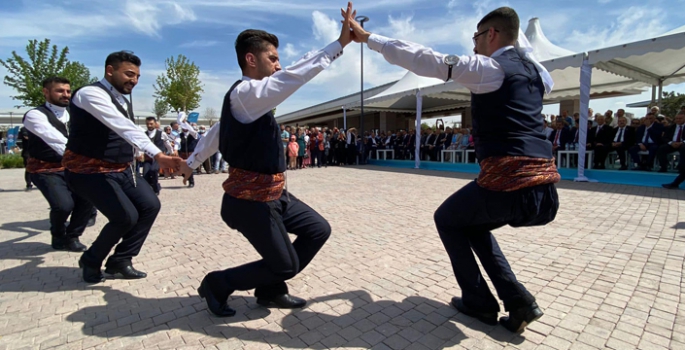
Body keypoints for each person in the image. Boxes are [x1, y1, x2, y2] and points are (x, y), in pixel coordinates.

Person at [346, 6, 559, 333]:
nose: (473, 45)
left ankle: (479, 302)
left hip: (507, 184)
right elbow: (526, 56)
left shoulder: (489, 68)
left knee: (446, 218)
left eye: (476, 37)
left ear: (491, 34)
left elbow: (423, 58)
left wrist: (368, 38)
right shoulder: (540, 74)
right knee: (471, 225)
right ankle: (518, 302)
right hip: (544, 192)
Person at [178, 3, 354, 317]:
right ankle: (218, 283)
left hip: (273, 195)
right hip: (248, 201)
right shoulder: (246, 93)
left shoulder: (249, 101)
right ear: (251, 58)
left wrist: (189, 163)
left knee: (317, 230)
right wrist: (338, 45)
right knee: (286, 264)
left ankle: (270, 289)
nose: (278, 64)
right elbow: (293, 76)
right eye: (272, 58)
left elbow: (217, 132)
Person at [63, 51, 182, 283]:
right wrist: (157, 154)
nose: (134, 81)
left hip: (120, 169)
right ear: (110, 70)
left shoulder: (121, 98)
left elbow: (127, 134)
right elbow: (122, 126)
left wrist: (138, 153)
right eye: (129, 74)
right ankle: (91, 259)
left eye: (137, 76)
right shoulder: (90, 94)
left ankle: (121, 259)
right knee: (125, 217)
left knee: (150, 205)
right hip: (88, 172)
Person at [22, 76, 95, 251]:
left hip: (73, 167)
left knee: (88, 199)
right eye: (60, 91)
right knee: (63, 205)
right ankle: (58, 235)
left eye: (68, 91)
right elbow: (53, 139)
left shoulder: (77, 114)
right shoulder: (34, 115)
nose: (65, 95)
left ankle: (72, 237)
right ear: (46, 92)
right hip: (46, 169)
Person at [143, 117, 166, 194]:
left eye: (151, 124)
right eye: (147, 124)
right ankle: (149, 190)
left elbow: (167, 143)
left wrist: (173, 150)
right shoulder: (144, 134)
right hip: (148, 157)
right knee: (145, 174)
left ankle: (156, 189)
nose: (149, 125)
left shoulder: (161, 133)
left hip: (158, 158)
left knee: (153, 170)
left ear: (155, 124)